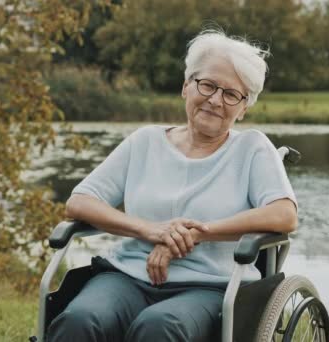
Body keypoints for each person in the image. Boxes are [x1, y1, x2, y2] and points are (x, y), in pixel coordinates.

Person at [47, 29, 298, 342]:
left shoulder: (252, 149)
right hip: (126, 276)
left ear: (244, 107)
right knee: (80, 319)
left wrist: (198, 232)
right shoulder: (144, 142)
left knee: (159, 327)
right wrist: (149, 230)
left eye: (232, 94)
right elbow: (80, 201)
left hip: (211, 286)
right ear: (186, 87)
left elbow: (284, 214)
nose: (216, 100)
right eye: (207, 85)